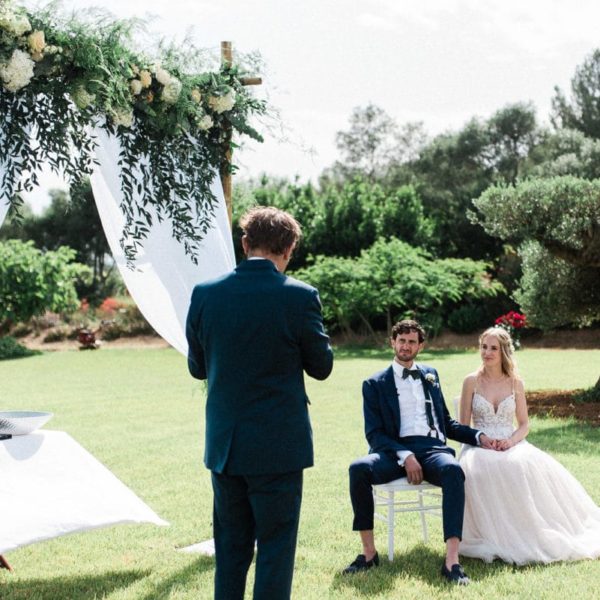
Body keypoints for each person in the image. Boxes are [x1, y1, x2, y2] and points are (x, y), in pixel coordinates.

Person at [185, 206, 334, 600]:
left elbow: (197, 368)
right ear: (289, 248)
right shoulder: (301, 297)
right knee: (275, 550)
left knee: (230, 551)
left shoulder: (205, 295)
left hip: (226, 447)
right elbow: (321, 367)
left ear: (245, 243)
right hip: (278, 447)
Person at [343, 319, 495, 585]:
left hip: (431, 448)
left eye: (412, 341)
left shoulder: (431, 374)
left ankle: (452, 561)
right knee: (358, 468)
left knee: (452, 470)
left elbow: (446, 423)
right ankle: (368, 554)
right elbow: (375, 434)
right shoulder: (374, 383)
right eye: (401, 340)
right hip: (392, 451)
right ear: (392, 342)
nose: (405, 346)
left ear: (420, 346)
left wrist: (479, 436)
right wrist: (405, 455)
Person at [459, 326, 600, 564]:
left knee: (520, 465)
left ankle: (528, 530)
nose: (487, 352)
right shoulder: (471, 381)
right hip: (478, 446)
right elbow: (462, 426)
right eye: (484, 347)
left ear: (504, 351)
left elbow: (524, 425)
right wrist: (481, 439)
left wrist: (510, 441)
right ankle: (493, 533)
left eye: (493, 348)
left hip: (510, 443)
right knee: (479, 467)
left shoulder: (515, 383)